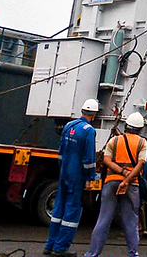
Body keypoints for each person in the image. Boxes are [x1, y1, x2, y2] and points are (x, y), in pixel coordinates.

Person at [86, 112, 147, 257]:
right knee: (131, 223)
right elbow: (140, 165)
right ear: (140, 129)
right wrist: (126, 180)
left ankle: (92, 254)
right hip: (132, 185)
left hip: (111, 181)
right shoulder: (142, 142)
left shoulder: (114, 141)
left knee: (103, 220)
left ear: (126, 126)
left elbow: (106, 161)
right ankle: (133, 254)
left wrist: (121, 172)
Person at [44, 99, 100, 257]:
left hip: (64, 173)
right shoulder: (89, 130)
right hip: (77, 176)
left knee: (58, 209)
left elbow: (61, 151)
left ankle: (49, 244)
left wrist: (62, 168)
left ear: (82, 110)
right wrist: (90, 177)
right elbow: (89, 158)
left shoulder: (69, 126)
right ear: (94, 114)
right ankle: (60, 248)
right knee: (72, 212)